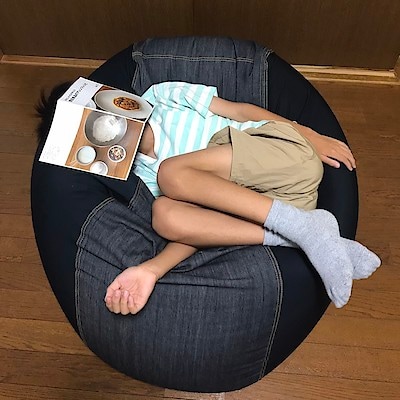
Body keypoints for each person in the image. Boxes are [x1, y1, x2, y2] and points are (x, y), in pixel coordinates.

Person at [104, 81, 381, 315]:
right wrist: (151, 271)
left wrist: (307, 134)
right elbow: (198, 227)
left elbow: (240, 111)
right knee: (164, 215)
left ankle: (302, 230)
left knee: (171, 173)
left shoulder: (159, 97)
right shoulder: (138, 174)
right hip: (286, 207)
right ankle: (299, 233)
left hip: (285, 160)